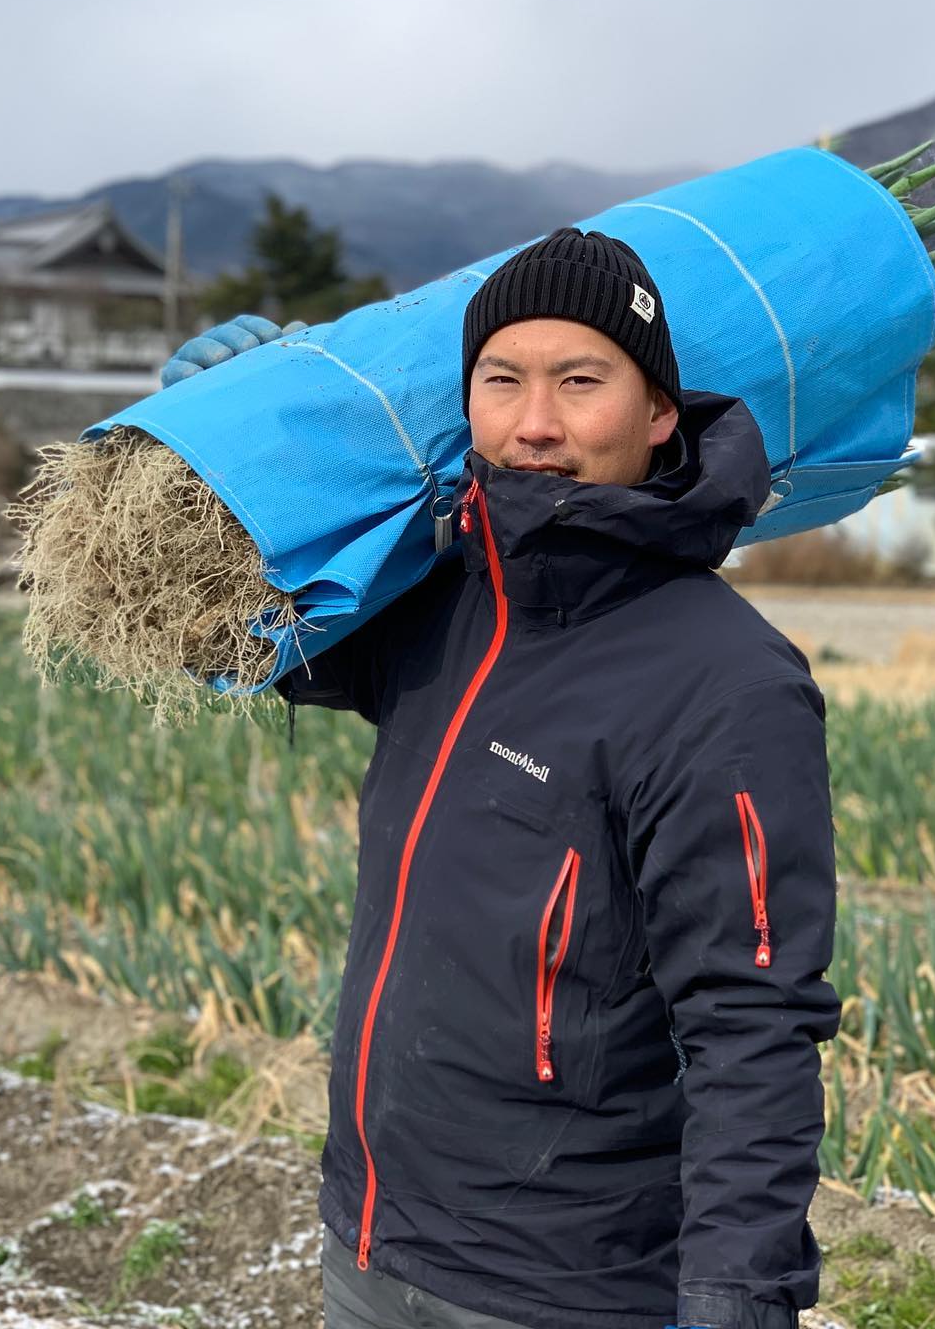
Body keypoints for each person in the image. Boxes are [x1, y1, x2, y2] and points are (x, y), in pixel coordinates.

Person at [164, 229, 842, 1329]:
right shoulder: (445, 602)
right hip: (372, 1244)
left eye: (582, 381)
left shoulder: (724, 681)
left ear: (661, 411)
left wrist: (737, 1299)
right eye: (503, 380)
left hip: (564, 1290)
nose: (536, 423)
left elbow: (753, 1023)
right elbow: (221, 641)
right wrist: (220, 445)